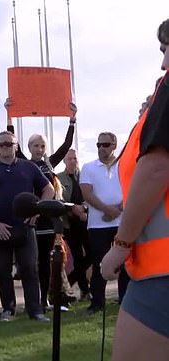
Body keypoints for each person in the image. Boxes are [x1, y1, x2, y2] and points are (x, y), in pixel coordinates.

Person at [100, 19, 169, 360]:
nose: (163, 63)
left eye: (166, 49)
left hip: (162, 270)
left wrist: (121, 245)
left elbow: (156, 168)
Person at [5, 101, 77, 310]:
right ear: (28, 148)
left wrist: (72, 120)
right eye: (35, 146)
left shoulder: (50, 163)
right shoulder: (24, 164)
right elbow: (13, 141)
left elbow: (65, 146)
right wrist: (9, 115)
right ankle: (32, 300)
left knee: (49, 262)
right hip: (29, 218)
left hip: (48, 220)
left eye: (42, 146)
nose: (39, 149)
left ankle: (48, 298)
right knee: (30, 263)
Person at [0, 131, 54, 322]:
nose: (5, 147)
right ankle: (8, 310)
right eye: (1, 144)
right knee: (3, 271)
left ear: (16, 146)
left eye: (9, 144)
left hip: (25, 228)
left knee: (29, 269)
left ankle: (35, 310)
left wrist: (37, 211)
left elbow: (48, 189)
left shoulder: (29, 167)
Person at [80, 132, 130, 315]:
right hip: (98, 224)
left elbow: (132, 189)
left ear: (114, 145)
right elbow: (87, 193)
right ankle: (97, 303)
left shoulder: (124, 165)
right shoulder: (88, 167)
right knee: (98, 262)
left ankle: (125, 301)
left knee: (125, 262)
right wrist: (108, 210)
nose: (102, 148)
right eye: (99, 144)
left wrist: (117, 210)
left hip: (122, 222)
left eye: (106, 144)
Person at [57, 149, 91, 300]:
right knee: (77, 256)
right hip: (69, 223)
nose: (72, 161)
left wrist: (83, 208)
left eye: (75, 158)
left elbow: (91, 196)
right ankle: (84, 290)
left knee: (93, 254)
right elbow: (58, 199)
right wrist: (73, 208)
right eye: (69, 159)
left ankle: (70, 280)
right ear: (64, 161)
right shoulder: (59, 178)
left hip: (86, 221)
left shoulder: (85, 176)